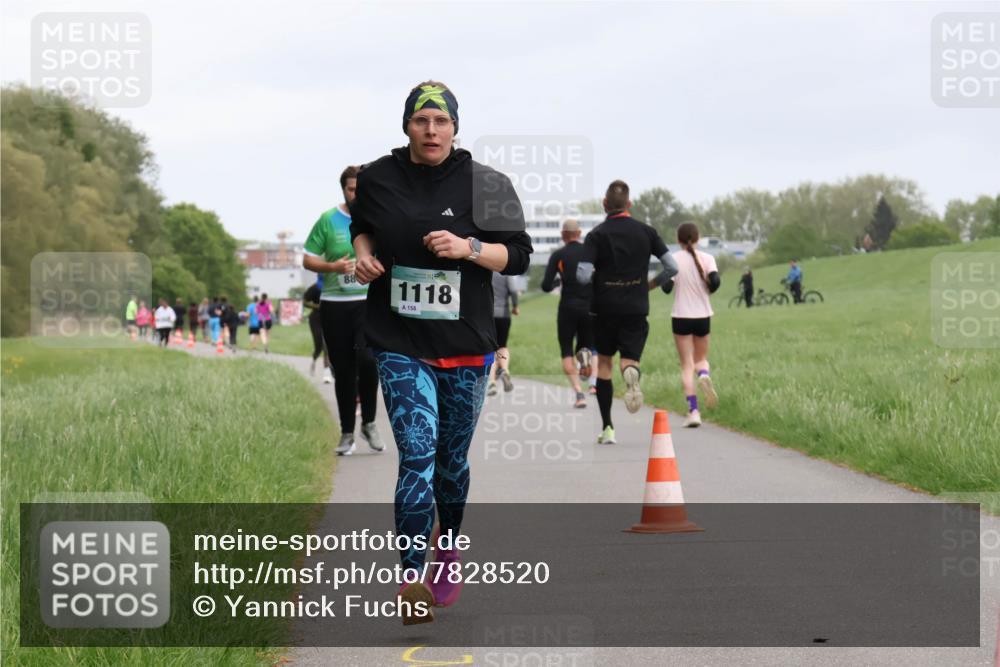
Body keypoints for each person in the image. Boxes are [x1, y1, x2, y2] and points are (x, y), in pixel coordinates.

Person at [351, 81, 532, 624]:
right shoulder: (378, 177)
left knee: (451, 465)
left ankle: (446, 548)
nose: (431, 131)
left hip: (466, 346)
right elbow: (364, 227)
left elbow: (519, 257)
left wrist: (468, 248)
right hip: (400, 342)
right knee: (418, 452)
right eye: (420, 121)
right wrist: (363, 257)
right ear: (406, 125)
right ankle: (410, 576)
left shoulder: (488, 184)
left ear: (456, 127)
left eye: (441, 121)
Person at [576, 180, 677, 444]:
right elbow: (671, 267)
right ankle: (631, 373)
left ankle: (608, 427)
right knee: (629, 360)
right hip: (636, 305)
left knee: (605, 364)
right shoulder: (647, 231)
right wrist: (649, 285)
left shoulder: (596, 235)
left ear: (604, 204)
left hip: (604, 308)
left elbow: (583, 275)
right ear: (629, 204)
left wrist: (600, 276)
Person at [304, 166, 384, 455]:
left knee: (367, 360)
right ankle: (347, 432)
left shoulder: (378, 217)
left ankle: (371, 422)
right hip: (335, 304)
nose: (356, 194)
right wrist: (333, 267)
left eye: (360, 189)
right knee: (344, 369)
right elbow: (308, 259)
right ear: (343, 190)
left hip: (367, 302)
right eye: (351, 189)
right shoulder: (328, 220)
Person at [662, 223, 721, 427]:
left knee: (687, 365)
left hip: (681, 317)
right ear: (698, 238)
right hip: (703, 315)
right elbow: (715, 282)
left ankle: (693, 411)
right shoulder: (708, 258)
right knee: (701, 359)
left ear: (678, 240)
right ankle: (704, 375)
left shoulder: (673, 260)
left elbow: (666, 288)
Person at [541, 219, 595, 408]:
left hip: (567, 308)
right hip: (589, 308)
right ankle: (585, 360)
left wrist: (559, 282)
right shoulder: (591, 253)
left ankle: (579, 394)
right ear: (579, 233)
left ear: (563, 235)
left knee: (566, 350)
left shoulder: (559, 255)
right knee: (585, 346)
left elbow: (546, 286)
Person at [486, 272, 519, 396]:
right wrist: (515, 306)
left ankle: (492, 382)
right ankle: (504, 370)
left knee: (490, 349)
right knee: (502, 346)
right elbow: (513, 290)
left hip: (487, 316)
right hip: (504, 315)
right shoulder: (506, 271)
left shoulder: (485, 269)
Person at [303, 279, 334, 383]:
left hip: (330, 317)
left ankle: (327, 373)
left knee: (327, 345)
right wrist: (317, 306)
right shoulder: (315, 287)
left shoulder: (335, 285)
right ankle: (313, 360)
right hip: (316, 319)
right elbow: (304, 301)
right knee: (319, 346)